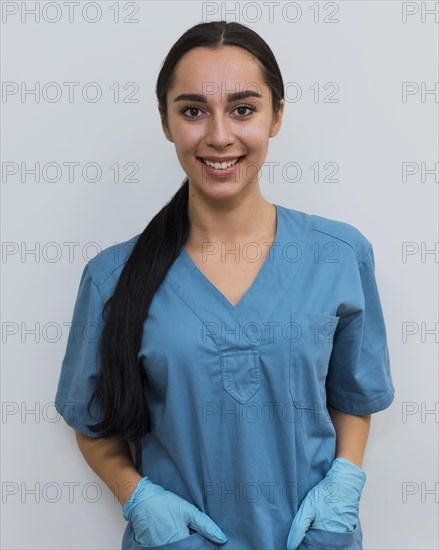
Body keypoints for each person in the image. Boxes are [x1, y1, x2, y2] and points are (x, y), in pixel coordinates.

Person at [54, 20, 395, 550]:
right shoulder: (112, 279)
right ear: (166, 122)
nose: (218, 135)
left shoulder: (338, 256)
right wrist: (139, 499)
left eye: (243, 108)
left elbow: (353, 395)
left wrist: (344, 486)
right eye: (192, 111)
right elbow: (92, 425)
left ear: (276, 115)